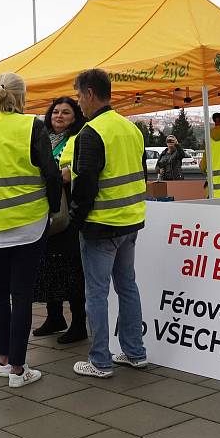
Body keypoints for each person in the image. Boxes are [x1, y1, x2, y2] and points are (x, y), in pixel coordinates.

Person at [0, 72, 62, 388]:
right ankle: (19, 370)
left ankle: (3, 359)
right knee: (22, 294)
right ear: (22, 97)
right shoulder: (32, 126)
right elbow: (50, 173)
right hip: (29, 221)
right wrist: (52, 209)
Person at [69, 68, 148, 379]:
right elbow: (140, 174)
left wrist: (74, 221)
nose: (78, 103)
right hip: (131, 221)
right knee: (127, 287)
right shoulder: (131, 129)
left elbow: (85, 185)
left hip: (100, 226)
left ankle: (100, 360)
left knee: (97, 293)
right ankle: (135, 352)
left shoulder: (91, 133)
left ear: (90, 94)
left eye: (78, 96)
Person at [33, 96, 87, 344]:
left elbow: (71, 174)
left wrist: (59, 175)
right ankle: (54, 317)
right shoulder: (42, 138)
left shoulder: (77, 139)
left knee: (71, 270)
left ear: (75, 117)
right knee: (47, 266)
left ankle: (78, 324)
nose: (59, 116)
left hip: (69, 213)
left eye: (66, 112)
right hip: (47, 210)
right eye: (56, 111)